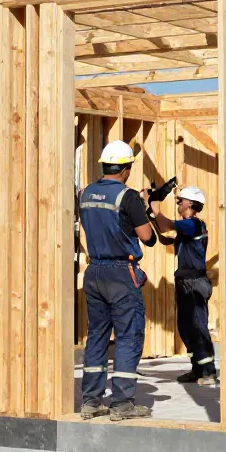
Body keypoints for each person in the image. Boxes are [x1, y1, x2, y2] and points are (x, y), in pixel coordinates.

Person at [78, 140, 156, 421]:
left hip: (95, 271)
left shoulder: (86, 193)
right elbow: (148, 237)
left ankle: (90, 402)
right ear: (125, 168)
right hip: (121, 272)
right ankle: (122, 403)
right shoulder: (128, 196)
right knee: (128, 336)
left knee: (97, 335)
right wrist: (145, 208)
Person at [150, 185, 217, 386]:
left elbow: (168, 225)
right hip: (185, 282)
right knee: (187, 328)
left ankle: (208, 372)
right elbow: (164, 236)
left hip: (194, 283)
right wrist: (152, 219)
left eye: (180, 201)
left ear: (190, 203)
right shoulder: (186, 228)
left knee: (198, 327)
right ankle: (197, 369)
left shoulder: (193, 224)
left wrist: (154, 206)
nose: (178, 203)